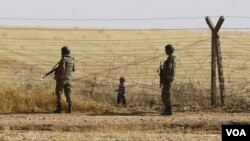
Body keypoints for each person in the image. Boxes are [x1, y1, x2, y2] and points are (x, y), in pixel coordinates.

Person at [54, 46, 75, 113]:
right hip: (69, 78)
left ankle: (59, 108)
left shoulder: (63, 59)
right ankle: (70, 108)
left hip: (62, 78)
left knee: (59, 92)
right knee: (68, 92)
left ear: (63, 52)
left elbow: (62, 68)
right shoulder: (72, 59)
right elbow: (73, 69)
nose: (61, 53)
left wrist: (60, 75)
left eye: (62, 52)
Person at [161, 44, 176, 115]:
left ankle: (169, 109)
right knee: (165, 93)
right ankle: (168, 108)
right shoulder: (171, 58)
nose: (165, 51)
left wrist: (164, 75)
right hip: (168, 77)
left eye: (166, 49)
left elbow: (169, 68)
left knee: (166, 93)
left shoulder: (170, 59)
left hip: (168, 78)